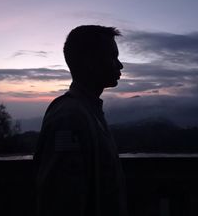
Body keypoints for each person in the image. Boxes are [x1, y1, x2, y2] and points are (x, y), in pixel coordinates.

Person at [34, 25, 128, 216]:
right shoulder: (70, 117)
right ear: (90, 61)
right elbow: (62, 200)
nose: (120, 65)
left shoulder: (86, 110)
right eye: (113, 56)